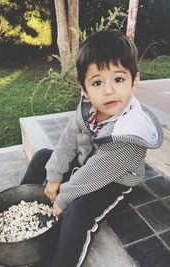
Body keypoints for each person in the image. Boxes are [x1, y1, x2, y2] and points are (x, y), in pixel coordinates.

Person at [21, 30, 163, 267]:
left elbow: (93, 174)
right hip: (89, 162)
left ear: (134, 80)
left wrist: (62, 198)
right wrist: (54, 175)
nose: (109, 90)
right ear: (84, 89)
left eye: (118, 79)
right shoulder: (88, 107)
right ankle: (22, 206)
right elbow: (68, 138)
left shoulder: (130, 133)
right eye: (97, 82)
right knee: (41, 158)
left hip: (114, 179)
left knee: (78, 212)